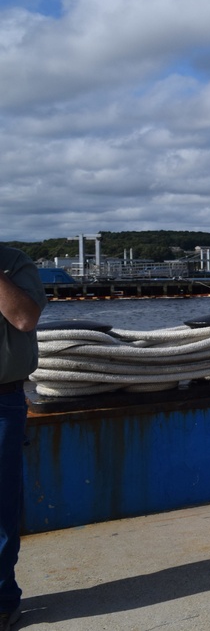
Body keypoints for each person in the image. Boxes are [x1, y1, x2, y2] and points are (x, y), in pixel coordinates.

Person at [0, 245, 46, 631]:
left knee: (0, 506)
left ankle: (1, 600)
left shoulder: (14, 263)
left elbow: (24, 318)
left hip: (1, 401)